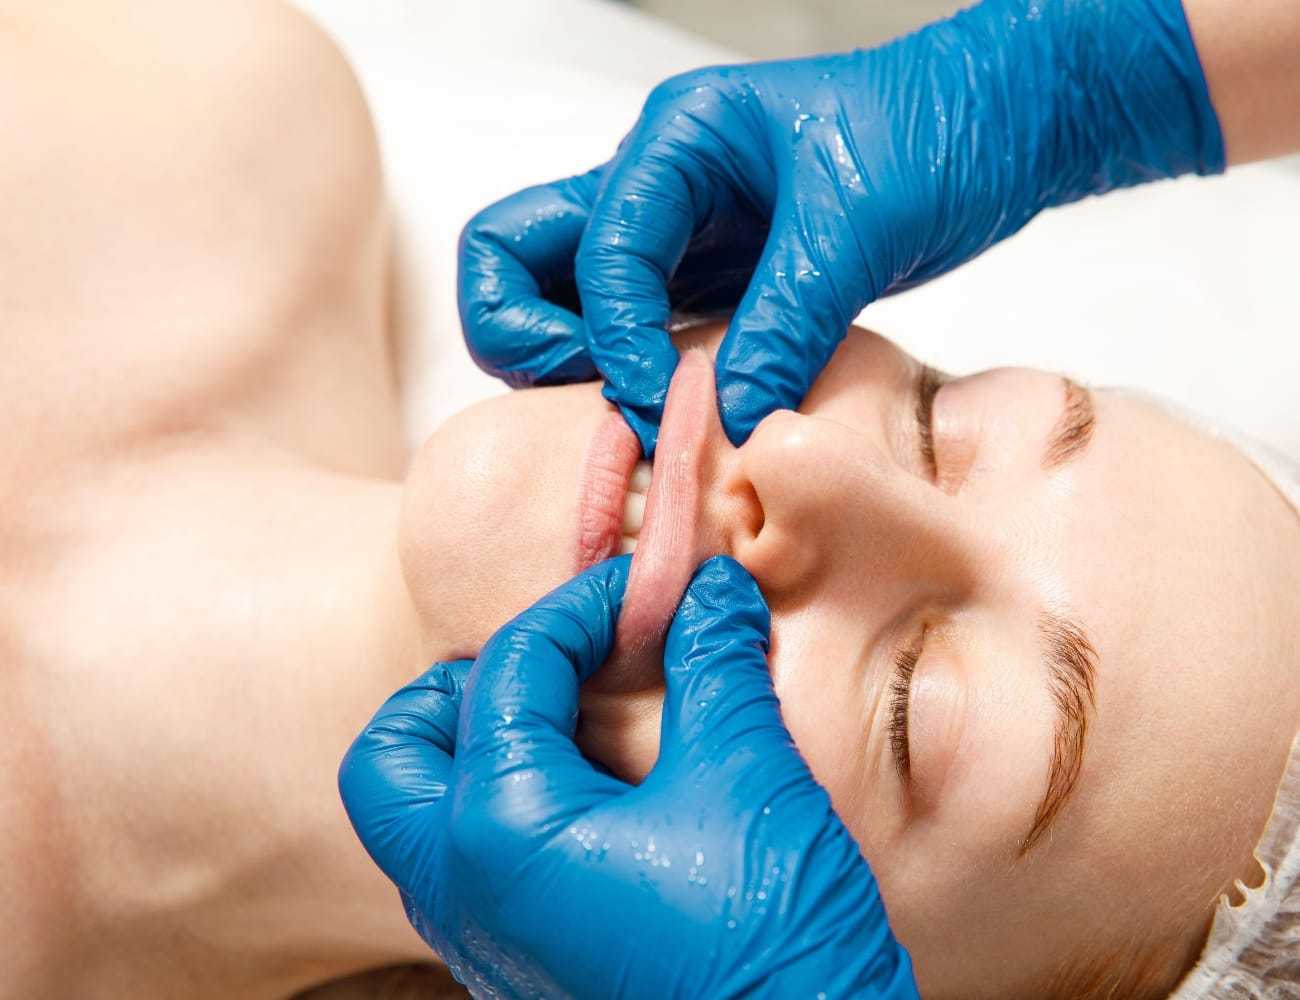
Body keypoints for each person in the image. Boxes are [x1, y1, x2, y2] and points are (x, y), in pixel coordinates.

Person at [342, 0, 1300, 995]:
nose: (798, 458)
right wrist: (1068, 77)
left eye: (911, 706)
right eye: (937, 423)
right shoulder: (237, 127)